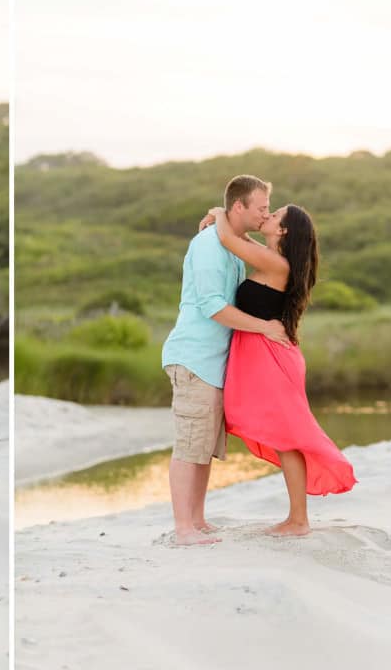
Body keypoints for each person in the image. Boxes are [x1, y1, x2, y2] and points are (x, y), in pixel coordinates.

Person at [199, 202, 355, 537]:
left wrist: (218, 211)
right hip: (265, 354)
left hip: (270, 356)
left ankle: (298, 521)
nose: (267, 217)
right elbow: (240, 241)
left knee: (288, 437)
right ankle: (297, 518)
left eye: (275, 215)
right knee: (286, 436)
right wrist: (225, 221)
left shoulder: (275, 263)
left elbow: (229, 239)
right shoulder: (271, 257)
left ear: (283, 231)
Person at [159, 175, 289, 546]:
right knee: (188, 446)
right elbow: (213, 306)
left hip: (214, 365)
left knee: (202, 447)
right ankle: (184, 528)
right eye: (261, 207)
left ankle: (196, 521)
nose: (265, 214)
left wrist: (216, 216)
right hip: (194, 358)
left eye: (268, 208)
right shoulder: (209, 246)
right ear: (239, 207)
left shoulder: (232, 243)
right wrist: (265, 328)